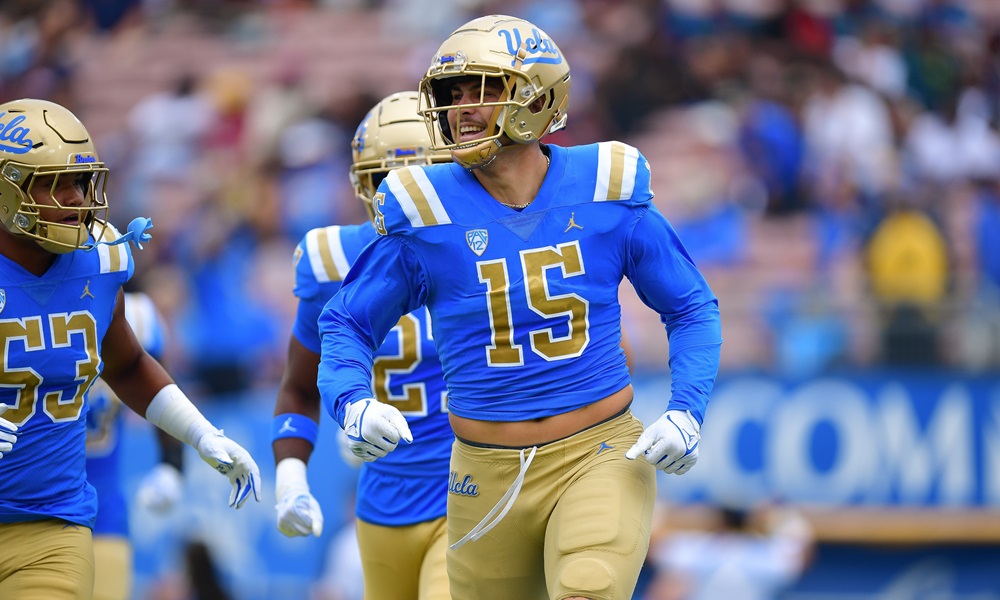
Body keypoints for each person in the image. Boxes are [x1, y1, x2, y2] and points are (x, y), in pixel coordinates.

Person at [317, 15, 722, 600]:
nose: (461, 108)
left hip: (597, 451)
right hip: (482, 470)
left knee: (590, 587)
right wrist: (352, 402)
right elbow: (348, 322)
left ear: (535, 94)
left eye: (481, 89)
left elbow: (690, 307)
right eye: (452, 94)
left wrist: (687, 410)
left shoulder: (604, 187)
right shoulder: (425, 212)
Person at [0, 98, 261, 600]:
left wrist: (202, 435)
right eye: (56, 184)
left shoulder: (97, 262)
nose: (78, 199)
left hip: (50, 529)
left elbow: (128, 365)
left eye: (80, 182)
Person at [271, 91, 454, 599]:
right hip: (382, 502)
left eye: (419, 180)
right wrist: (290, 476)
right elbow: (299, 387)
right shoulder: (330, 259)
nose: (402, 200)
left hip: (474, 485)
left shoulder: (485, 244)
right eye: (384, 181)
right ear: (361, 184)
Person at [85, 291, 185, 600]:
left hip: (102, 512)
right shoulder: (12, 296)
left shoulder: (136, 314)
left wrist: (172, 464)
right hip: (22, 506)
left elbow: (163, 394)